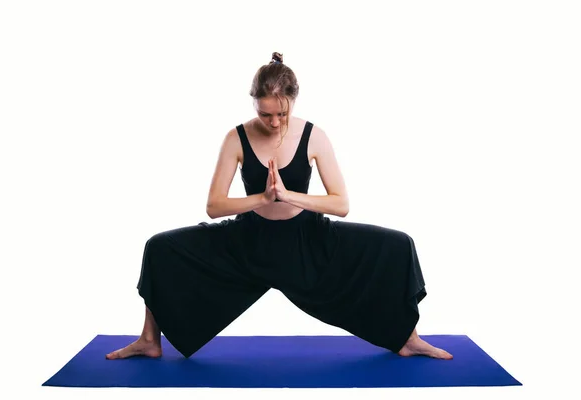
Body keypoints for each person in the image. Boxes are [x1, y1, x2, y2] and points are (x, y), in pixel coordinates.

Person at [106, 52, 453, 361]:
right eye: (265, 114)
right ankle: (150, 340)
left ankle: (409, 339)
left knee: (398, 245)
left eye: (281, 113)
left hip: (308, 243)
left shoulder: (314, 136)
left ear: (293, 100)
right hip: (247, 243)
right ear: (254, 104)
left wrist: (289, 197)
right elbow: (214, 206)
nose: (273, 122)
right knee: (159, 248)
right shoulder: (236, 138)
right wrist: (263, 198)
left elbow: (341, 204)